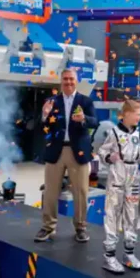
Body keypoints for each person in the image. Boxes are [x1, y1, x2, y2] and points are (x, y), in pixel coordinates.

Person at [35, 69, 99, 243]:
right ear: (60, 81)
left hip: (78, 152)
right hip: (55, 151)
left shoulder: (85, 101)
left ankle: (80, 228)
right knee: (50, 192)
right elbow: (42, 126)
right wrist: (45, 115)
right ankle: (48, 227)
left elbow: (96, 122)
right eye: (65, 79)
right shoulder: (52, 101)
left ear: (76, 81)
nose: (68, 82)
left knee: (81, 192)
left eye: (71, 79)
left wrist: (84, 118)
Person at [97, 100, 140, 274]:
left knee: (132, 215)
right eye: (137, 114)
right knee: (112, 214)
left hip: (133, 178)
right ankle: (109, 256)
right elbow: (102, 152)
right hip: (117, 176)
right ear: (126, 114)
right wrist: (110, 157)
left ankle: (129, 253)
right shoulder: (114, 132)